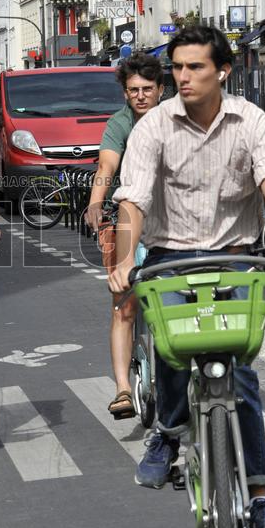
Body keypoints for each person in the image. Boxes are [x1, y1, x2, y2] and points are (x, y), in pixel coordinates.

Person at [108, 25, 265, 528]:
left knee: (239, 376)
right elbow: (133, 199)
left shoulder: (252, 122)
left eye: (195, 67)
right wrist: (127, 258)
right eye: (177, 67)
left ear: (222, 70)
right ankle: (168, 434)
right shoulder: (154, 125)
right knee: (174, 352)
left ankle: (261, 499)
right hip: (171, 256)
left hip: (234, 258)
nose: (183, 77)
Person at [84, 54, 164, 418]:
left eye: (148, 89)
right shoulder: (119, 123)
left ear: (161, 90)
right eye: (134, 90)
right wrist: (96, 202)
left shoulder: (173, 120)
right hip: (130, 218)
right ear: (125, 93)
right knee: (124, 305)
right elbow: (107, 165)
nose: (141, 96)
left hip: (173, 221)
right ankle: (121, 389)